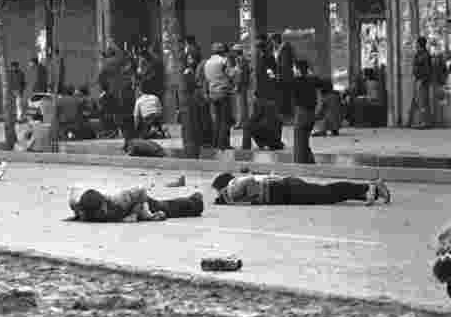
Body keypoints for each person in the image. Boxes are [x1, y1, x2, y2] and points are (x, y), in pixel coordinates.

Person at [212, 171, 390, 206]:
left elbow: (242, 187)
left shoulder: (234, 185)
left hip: (286, 189)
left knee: (326, 193)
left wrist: (223, 197)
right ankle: (369, 192)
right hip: (286, 190)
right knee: (326, 196)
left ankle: (370, 186)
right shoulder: (237, 186)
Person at [68, 185, 204, 222]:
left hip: (140, 202)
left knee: (169, 208)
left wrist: (136, 214)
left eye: (101, 211)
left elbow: (141, 190)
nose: (101, 214)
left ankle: (195, 200)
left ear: (104, 205)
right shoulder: (82, 208)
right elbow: (74, 191)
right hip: (126, 211)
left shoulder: (119, 199)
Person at [203, 42, 234, 150]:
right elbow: (230, 74)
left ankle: (215, 142)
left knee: (217, 119)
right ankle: (223, 144)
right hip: (223, 92)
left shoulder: (207, 62)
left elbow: (206, 80)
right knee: (225, 119)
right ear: (222, 51)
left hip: (212, 93)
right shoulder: (224, 61)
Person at [291, 60, 323, 164]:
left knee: (299, 142)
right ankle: (310, 161)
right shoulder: (312, 80)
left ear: (299, 70)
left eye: (295, 68)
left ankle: (301, 164)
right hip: (311, 114)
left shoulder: (295, 82)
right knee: (304, 141)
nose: (293, 70)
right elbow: (321, 82)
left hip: (301, 113)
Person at [272, 34, 295, 120]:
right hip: (284, 76)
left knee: (285, 97)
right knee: (284, 97)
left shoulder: (284, 49)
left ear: (275, 40)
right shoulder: (282, 49)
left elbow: (284, 65)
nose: (273, 44)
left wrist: (279, 75)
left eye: (273, 42)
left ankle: (287, 116)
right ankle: (286, 115)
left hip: (285, 77)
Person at [412, 36, 432, 128]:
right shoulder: (418, 54)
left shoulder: (425, 55)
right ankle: (420, 121)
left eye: (417, 43)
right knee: (419, 101)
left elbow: (427, 69)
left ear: (420, 44)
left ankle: (424, 122)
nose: (416, 45)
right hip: (418, 80)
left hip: (422, 80)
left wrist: (423, 80)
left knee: (423, 102)